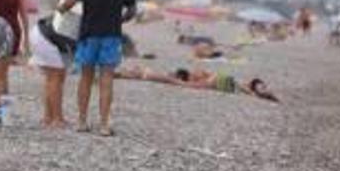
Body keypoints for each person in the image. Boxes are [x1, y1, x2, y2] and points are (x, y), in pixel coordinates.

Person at [57, 0, 137, 136]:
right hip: (111, 35)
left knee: (86, 77)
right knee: (106, 79)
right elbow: (132, 9)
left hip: (89, 35)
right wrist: (120, 20)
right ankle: (104, 125)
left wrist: (59, 10)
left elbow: (69, 3)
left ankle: (82, 122)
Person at [28, 4, 81, 129]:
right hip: (47, 38)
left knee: (54, 77)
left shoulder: (80, 8)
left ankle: (48, 117)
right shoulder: (83, 12)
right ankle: (57, 119)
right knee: (55, 77)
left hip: (42, 33)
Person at [116, 64, 281, 103]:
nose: (263, 88)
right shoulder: (248, 85)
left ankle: (139, 74)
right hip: (215, 81)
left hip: (215, 83)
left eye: (263, 88)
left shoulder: (247, 90)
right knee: (175, 80)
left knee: (174, 81)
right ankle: (138, 73)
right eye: (262, 86)